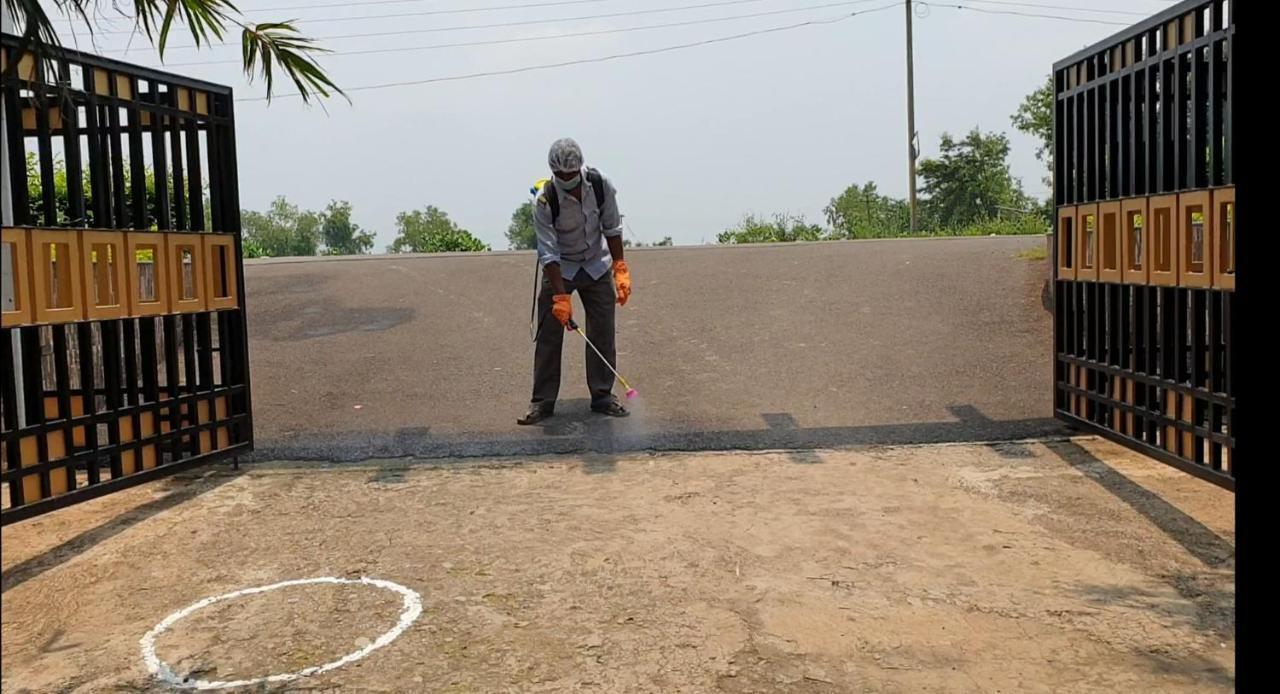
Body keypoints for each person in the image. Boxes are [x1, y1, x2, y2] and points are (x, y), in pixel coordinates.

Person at [518, 138, 632, 425]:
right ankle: (542, 401)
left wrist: (619, 266)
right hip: (561, 268)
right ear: (553, 173)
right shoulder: (545, 199)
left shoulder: (600, 185)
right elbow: (548, 250)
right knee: (549, 334)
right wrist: (560, 297)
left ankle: (603, 396)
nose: (567, 179)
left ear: (580, 167)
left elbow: (612, 226)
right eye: (561, 176)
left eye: (571, 174)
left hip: (596, 262)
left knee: (603, 329)